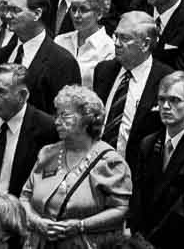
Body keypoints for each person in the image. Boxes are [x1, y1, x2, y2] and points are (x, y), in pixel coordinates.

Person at [22, 85, 134, 248]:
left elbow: (121, 210)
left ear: (87, 119)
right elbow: (25, 197)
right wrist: (38, 222)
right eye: (56, 115)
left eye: (64, 115)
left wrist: (80, 226)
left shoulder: (110, 161)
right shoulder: (47, 153)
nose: (57, 121)